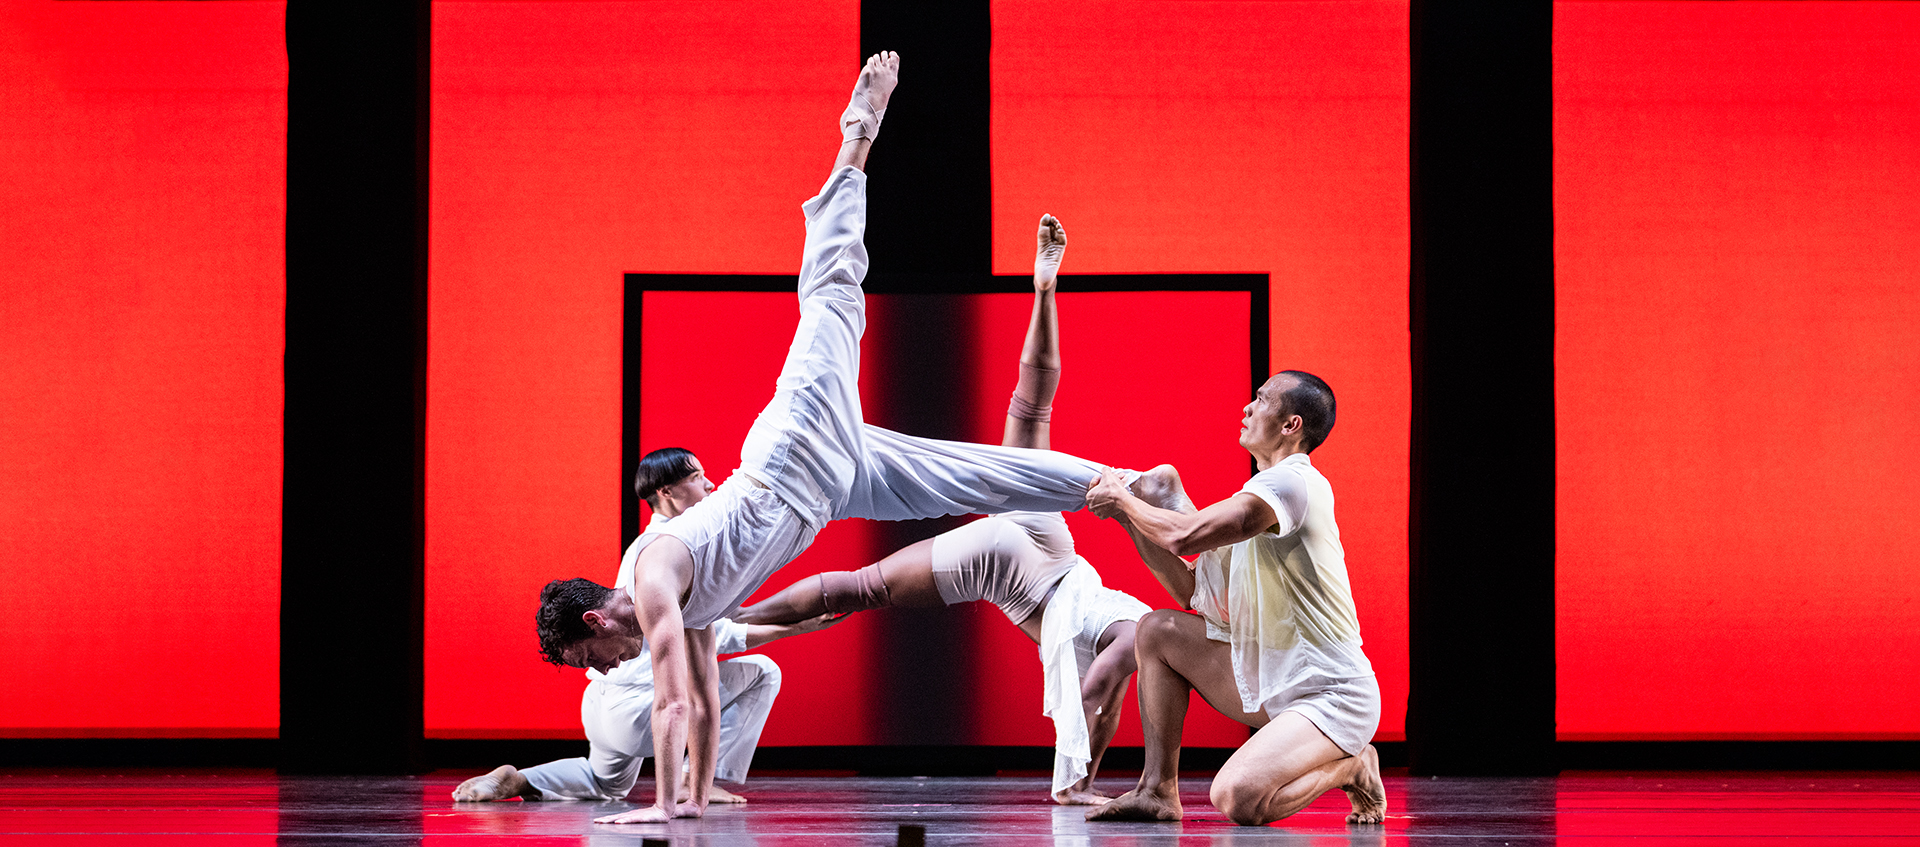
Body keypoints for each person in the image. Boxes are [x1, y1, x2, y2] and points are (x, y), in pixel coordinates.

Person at [536, 52, 1149, 825]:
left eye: (589, 659)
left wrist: (657, 810)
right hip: (829, 491)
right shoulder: (677, 610)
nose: (600, 669)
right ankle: (1121, 484)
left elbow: (669, 700)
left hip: (793, 451)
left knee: (831, 293)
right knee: (974, 477)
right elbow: (701, 699)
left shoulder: (653, 572)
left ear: (596, 621)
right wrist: (690, 800)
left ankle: (857, 131)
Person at [734, 214, 1160, 806]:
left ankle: (730, 619)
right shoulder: (1139, 634)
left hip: (1038, 555)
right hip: (1029, 559)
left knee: (1029, 416)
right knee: (858, 588)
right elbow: (1100, 683)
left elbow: (1101, 687)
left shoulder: (1135, 633)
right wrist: (1075, 764)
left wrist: (1080, 763)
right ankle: (731, 621)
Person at [1082, 371, 1388, 827]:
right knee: (1158, 631)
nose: (1246, 408)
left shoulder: (1292, 485)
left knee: (1238, 798)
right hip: (1272, 679)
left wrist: (1127, 505)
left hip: (1331, 693)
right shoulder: (1259, 496)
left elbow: (1185, 536)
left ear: (1291, 425)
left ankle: (1354, 764)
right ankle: (1156, 790)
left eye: (1261, 400)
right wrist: (1131, 517)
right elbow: (1189, 590)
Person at [453, 449, 841, 806]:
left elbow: (714, 621)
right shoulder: (667, 550)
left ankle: (521, 779)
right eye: (696, 477)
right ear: (667, 491)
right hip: (635, 710)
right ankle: (695, 780)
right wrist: (793, 628)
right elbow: (708, 634)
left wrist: (781, 618)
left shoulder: (650, 547)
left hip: (601, 708)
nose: (709, 484)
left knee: (605, 783)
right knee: (763, 672)